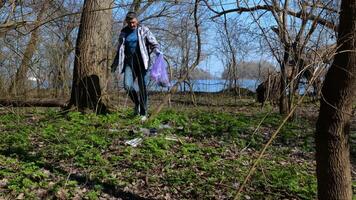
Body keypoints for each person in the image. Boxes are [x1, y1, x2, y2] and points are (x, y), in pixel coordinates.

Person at [111, 11, 161, 121]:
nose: (132, 25)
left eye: (133, 22)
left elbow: (154, 43)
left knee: (142, 88)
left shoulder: (144, 30)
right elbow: (119, 49)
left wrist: (157, 52)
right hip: (129, 63)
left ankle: (143, 113)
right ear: (126, 22)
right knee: (127, 85)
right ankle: (137, 104)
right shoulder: (123, 32)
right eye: (129, 23)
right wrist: (114, 64)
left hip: (143, 63)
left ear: (136, 20)